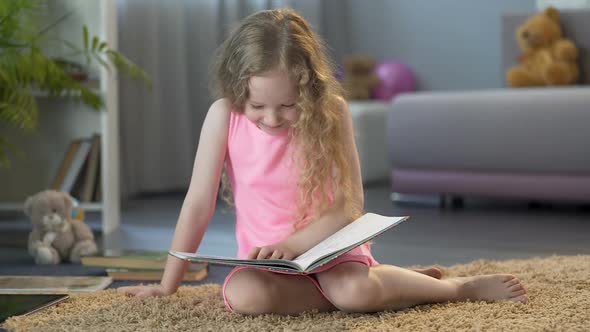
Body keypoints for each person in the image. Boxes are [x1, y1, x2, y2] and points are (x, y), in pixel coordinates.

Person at [118, 8, 528, 315]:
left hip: (331, 252)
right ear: (236, 87)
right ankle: (397, 285)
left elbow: (348, 207)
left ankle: (456, 288)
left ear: (309, 90)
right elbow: (197, 204)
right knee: (245, 296)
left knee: (354, 292)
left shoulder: (331, 111)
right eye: (257, 104)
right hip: (266, 267)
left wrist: (293, 245)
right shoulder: (224, 115)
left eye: (288, 105)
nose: (272, 118)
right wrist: (166, 286)